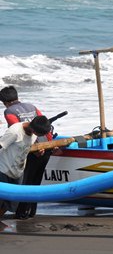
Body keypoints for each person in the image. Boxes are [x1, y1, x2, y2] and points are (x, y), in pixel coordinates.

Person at [0, 86, 54, 219]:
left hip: (30, 150)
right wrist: (49, 144)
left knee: (25, 183)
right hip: (44, 147)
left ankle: (21, 213)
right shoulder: (31, 106)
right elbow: (44, 122)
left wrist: (36, 147)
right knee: (35, 181)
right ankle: (31, 211)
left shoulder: (9, 111)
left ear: (4, 102)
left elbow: (16, 127)